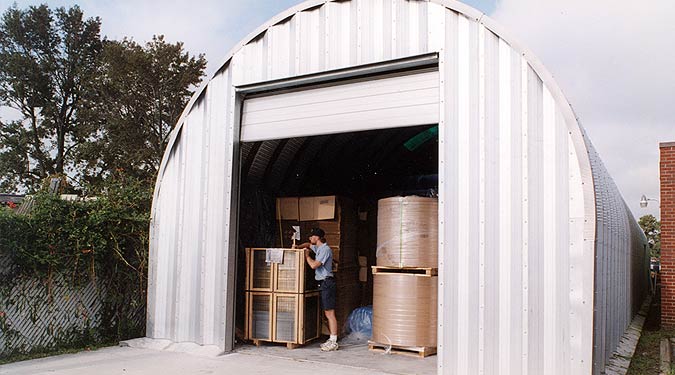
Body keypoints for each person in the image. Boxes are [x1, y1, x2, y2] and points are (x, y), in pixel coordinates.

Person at [293, 228, 338, 351]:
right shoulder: (319, 248)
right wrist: (298, 247)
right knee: (326, 313)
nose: (309, 239)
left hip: (327, 283)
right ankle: (331, 339)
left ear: (317, 237)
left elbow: (314, 265)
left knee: (330, 313)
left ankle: (334, 341)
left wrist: (307, 256)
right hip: (322, 283)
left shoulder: (325, 250)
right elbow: (308, 245)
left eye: (311, 236)